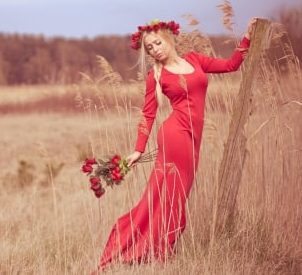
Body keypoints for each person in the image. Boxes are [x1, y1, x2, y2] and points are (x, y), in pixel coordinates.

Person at [96, 17, 257, 271]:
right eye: (149, 47)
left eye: (157, 43)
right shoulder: (156, 76)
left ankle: (156, 249)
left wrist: (247, 37)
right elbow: (147, 115)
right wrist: (138, 149)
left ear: (169, 38)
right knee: (172, 198)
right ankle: (157, 252)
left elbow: (231, 65)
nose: (155, 49)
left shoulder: (195, 60)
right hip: (174, 136)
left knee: (171, 197)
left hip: (193, 140)